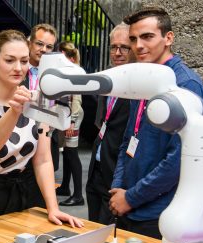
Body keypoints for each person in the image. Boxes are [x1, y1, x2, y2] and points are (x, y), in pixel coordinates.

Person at [0, 29, 83, 228]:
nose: (18, 68)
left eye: (24, 61)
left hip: (26, 193)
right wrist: (14, 111)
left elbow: (43, 159)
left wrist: (53, 207)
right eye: (9, 60)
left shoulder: (36, 100)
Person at [109, 7, 203, 239]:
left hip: (159, 213)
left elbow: (178, 159)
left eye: (147, 36)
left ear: (168, 38)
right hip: (127, 204)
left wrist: (131, 197)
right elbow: (127, 140)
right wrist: (118, 187)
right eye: (133, 39)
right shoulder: (144, 78)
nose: (139, 46)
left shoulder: (186, 84)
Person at [86, 23, 133, 223]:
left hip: (117, 174)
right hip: (97, 168)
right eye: (113, 47)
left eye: (124, 47)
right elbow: (102, 121)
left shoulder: (139, 86)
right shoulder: (108, 79)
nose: (118, 53)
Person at [21, 24, 61, 171]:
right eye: (39, 44)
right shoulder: (17, 69)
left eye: (49, 47)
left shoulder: (57, 74)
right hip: (18, 140)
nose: (44, 49)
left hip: (45, 139)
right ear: (29, 42)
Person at [55, 41, 85, 207]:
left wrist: (71, 122)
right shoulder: (67, 71)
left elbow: (77, 99)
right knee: (67, 153)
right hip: (66, 115)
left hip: (72, 116)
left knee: (72, 154)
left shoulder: (75, 73)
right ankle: (65, 187)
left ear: (71, 58)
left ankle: (78, 195)